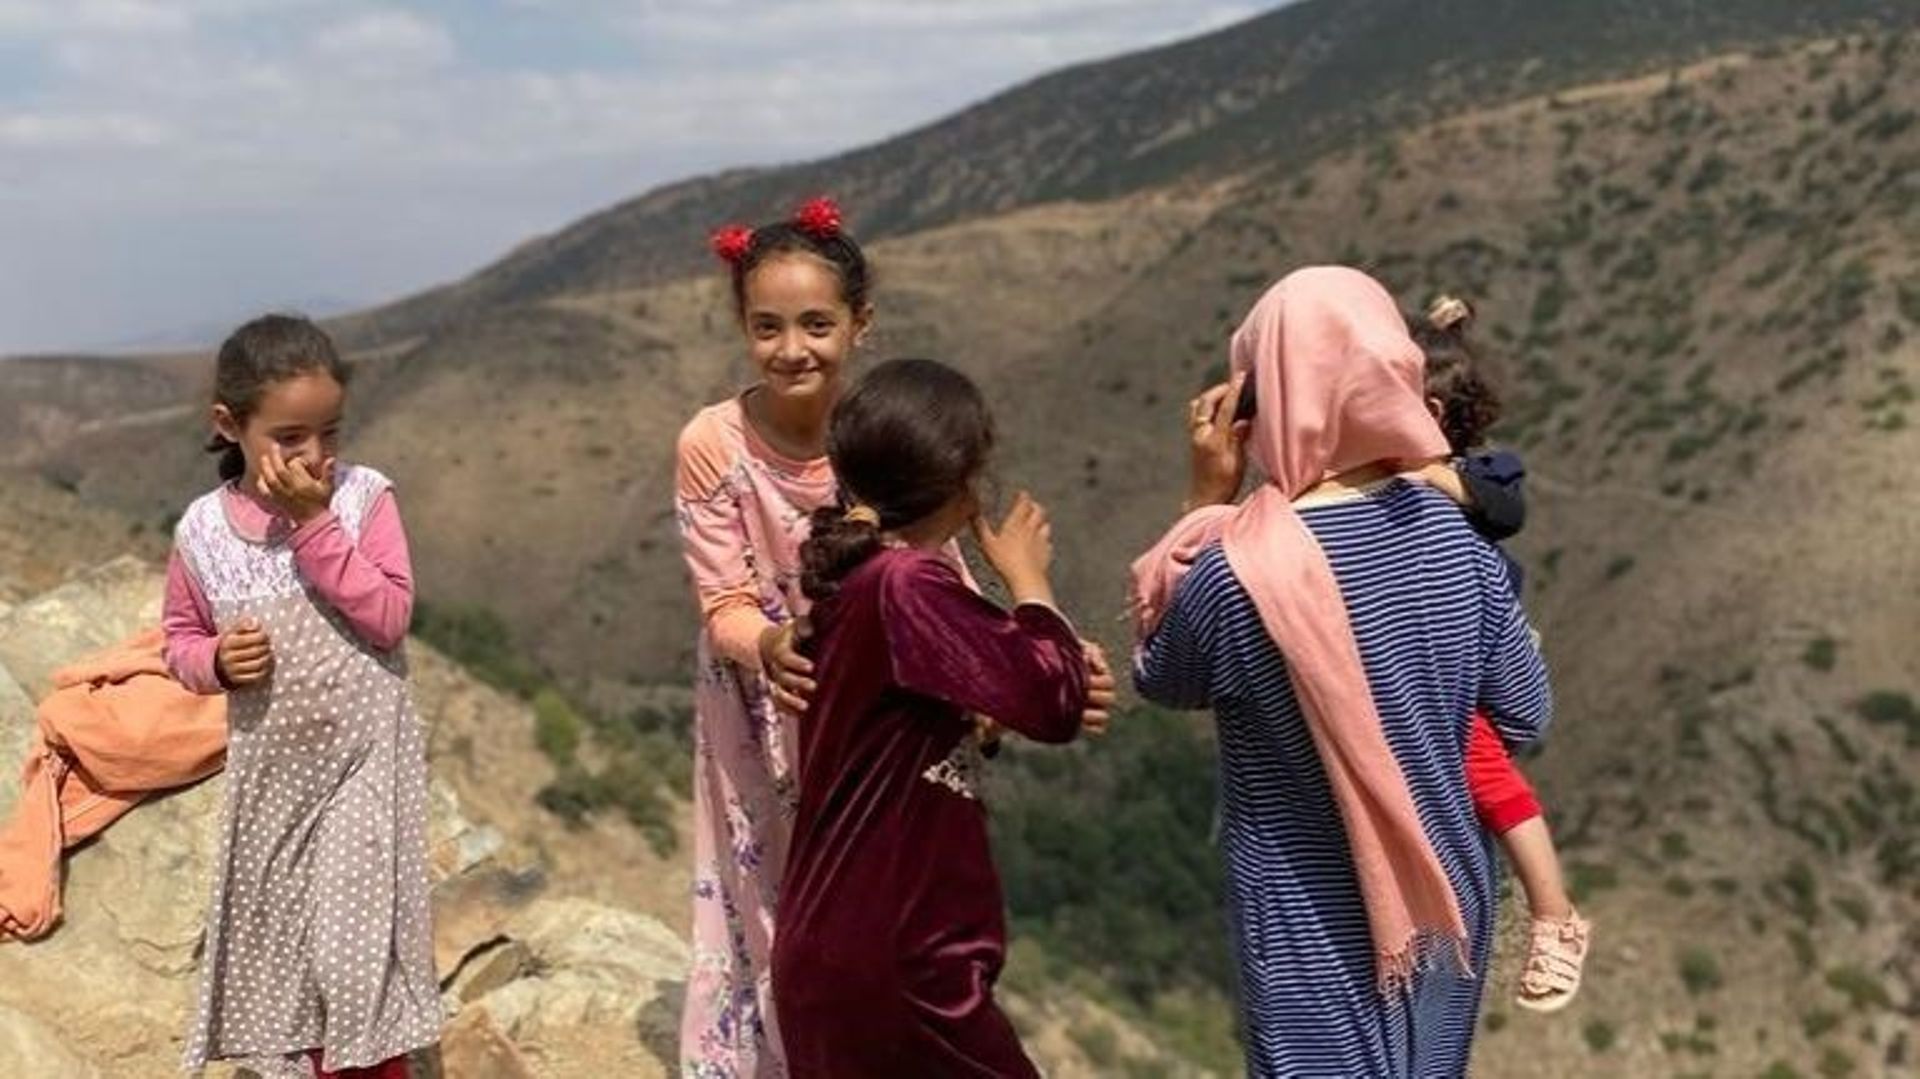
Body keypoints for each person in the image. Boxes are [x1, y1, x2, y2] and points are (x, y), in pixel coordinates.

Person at [1131, 267, 1552, 1077]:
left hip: (1304, 913)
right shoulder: (1467, 547)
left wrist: (1200, 505)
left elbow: (1163, 674)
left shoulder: (1235, 570)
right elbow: (1524, 711)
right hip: (1444, 898)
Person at [771, 358, 1114, 1077]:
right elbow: (1052, 701)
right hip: (899, 952)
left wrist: (1006, 701)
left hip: (842, 945)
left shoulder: (865, 582)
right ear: (964, 478)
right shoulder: (907, 582)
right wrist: (1029, 580)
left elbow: (948, 705)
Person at [165, 314, 438, 1079]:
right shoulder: (203, 533)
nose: (315, 454)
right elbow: (177, 640)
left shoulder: (361, 501)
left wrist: (316, 527)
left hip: (363, 770)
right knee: (281, 961)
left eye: (329, 432)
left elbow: (387, 616)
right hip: (274, 783)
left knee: (352, 959)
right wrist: (215, 660)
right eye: (289, 436)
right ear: (231, 425)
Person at [674, 196, 872, 1076]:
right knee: (764, 895)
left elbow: (934, 557)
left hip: (867, 707)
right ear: (742, 327)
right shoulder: (713, 441)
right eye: (769, 326)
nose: (793, 348)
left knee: (867, 900)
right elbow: (722, 600)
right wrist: (768, 646)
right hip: (754, 699)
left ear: (860, 325)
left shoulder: (879, 437)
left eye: (817, 323)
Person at [1409, 294, 1590, 1013]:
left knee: (1479, 766)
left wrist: (1430, 477)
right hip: (1435, 657)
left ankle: (1554, 914)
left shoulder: (1483, 472)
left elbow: (1504, 509)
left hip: (1475, 658)